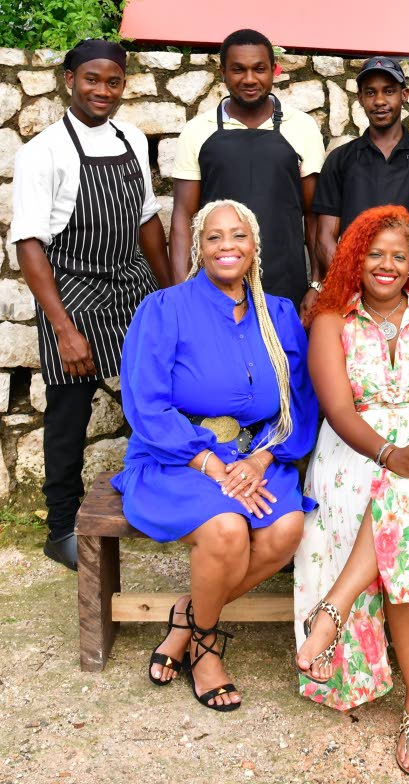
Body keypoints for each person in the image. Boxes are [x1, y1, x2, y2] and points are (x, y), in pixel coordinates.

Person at [111, 200, 319, 712]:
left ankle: (187, 615)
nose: (228, 246)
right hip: (177, 457)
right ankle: (206, 644)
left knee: (285, 530)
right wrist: (211, 463)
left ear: (255, 247)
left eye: (238, 236)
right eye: (214, 238)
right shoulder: (164, 310)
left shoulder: (280, 315)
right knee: (226, 528)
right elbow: (147, 405)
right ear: (199, 249)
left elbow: (301, 399)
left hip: (256, 457)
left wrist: (262, 460)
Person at [293, 206, 409, 778]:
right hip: (357, 450)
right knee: (406, 500)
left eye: (400, 256)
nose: (388, 265)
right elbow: (338, 409)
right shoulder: (331, 322)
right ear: (354, 257)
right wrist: (389, 455)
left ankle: (334, 608)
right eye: (376, 254)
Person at [11, 39, 171, 572]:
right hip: (72, 290)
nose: (102, 91)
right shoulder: (43, 152)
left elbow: (148, 222)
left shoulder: (129, 139)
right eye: (92, 80)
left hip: (131, 283)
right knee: (68, 415)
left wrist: (169, 294)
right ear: (68, 78)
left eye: (113, 82)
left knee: (152, 399)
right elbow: (30, 245)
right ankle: (60, 528)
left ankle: (156, 506)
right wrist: (64, 329)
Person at [169, 28, 325, 316]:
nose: (250, 79)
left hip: (286, 285)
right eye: (238, 70)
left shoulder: (301, 127)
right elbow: (182, 218)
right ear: (223, 72)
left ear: (274, 71)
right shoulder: (197, 131)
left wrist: (316, 284)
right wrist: (182, 293)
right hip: (215, 288)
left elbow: (314, 215)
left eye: (259, 69)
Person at [313, 56, 409, 275]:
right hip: (351, 288)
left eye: (388, 91)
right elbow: (325, 237)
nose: (379, 101)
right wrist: (348, 281)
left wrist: (402, 281)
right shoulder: (340, 159)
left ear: (404, 95)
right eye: (370, 92)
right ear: (360, 98)